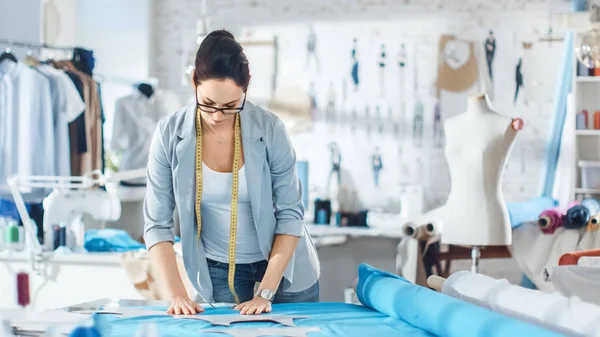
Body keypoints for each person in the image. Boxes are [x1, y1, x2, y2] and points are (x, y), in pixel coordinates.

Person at [143, 29, 320, 316]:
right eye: (208, 104)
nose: (216, 116)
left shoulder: (270, 130)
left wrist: (265, 292)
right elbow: (157, 223)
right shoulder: (168, 134)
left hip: (282, 265)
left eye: (230, 107)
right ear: (193, 83)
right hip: (218, 268)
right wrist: (176, 295)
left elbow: (290, 214)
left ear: (245, 90)